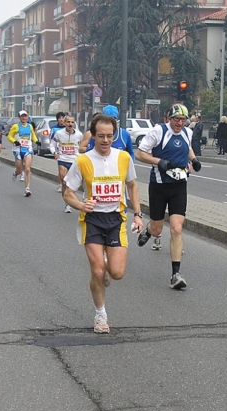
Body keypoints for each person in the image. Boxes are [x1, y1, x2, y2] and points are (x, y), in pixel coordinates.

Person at [63, 114, 143, 334]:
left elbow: (132, 186)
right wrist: (80, 205)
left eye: (109, 136)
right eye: (101, 136)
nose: (105, 140)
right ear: (93, 135)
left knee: (116, 273)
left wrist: (138, 214)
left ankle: (108, 264)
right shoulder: (83, 161)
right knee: (98, 272)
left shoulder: (124, 158)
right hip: (93, 221)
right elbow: (68, 192)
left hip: (116, 220)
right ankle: (100, 315)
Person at [135, 104, 202, 289]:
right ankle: (148, 231)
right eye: (177, 120)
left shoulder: (187, 133)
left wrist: (194, 160)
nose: (180, 123)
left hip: (179, 186)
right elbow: (139, 154)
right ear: (169, 119)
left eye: (183, 120)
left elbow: (188, 148)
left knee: (177, 228)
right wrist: (160, 162)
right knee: (157, 230)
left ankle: (176, 274)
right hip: (159, 186)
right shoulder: (158, 131)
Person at [50, 114, 84, 212]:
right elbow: (52, 144)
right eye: (68, 122)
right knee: (64, 181)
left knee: (72, 184)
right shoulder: (59, 133)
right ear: (64, 123)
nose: (70, 124)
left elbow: (82, 146)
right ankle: (67, 204)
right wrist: (54, 152)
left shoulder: (79, 134)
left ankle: (71, 198)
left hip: (74, 160)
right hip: (63, 159)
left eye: (72, 122)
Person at [7, 110, 41, 197]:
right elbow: (9, 136)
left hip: (27, 149)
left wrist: (36, 141)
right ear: (19, 117)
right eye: (22, 116)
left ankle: (27, 188)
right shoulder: (16, 126)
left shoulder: (29, 126)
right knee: (19, 170)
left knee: (27, 168)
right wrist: (15, 141)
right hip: (18, 150)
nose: (24, 118)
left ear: (28, 117)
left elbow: (32, 135)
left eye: (25, 116)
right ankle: (16, 172)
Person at [50, 112, 67, 191]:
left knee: (66, 170)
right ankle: (60, 184)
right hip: (58, 151)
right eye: (59, 118)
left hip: (68, 151)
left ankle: (65, 184)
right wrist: (54, 151)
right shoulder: (54, 129)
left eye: (62, 118)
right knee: (61, 169)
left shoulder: (68, 128)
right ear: (57, 119)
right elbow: (52, 141)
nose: (61, 119)